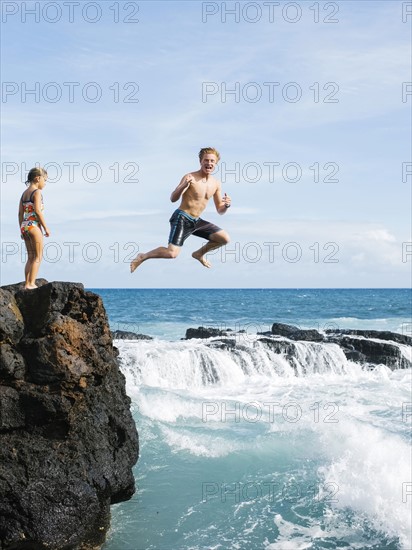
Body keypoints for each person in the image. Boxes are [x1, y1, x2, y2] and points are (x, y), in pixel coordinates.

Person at [130, 147, 231, 272]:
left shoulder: (216, 183)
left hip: (197, 221)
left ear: (216, 164)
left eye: (212, 161)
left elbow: (220, 210)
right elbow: (173, 198)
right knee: (171, 254)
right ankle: (143, 256)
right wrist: (183, 186)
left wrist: (226, 206)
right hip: (182, 217)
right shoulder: (190, 177)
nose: (209, 163)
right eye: (206, 160)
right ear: (200, 161)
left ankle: (198, 254)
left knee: (224, 238)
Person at [18, 167, 50, 289]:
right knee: (38, 256)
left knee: (30, 257)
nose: (45, 183)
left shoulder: (24, 194)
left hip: (25, 226)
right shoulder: (37, 192)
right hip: (34, 226)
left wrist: (21, 228)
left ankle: (26, 283)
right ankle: (31, 283)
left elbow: (20, 214)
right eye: (45, 180)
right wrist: (46, 228)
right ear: (38, 178)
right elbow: (37, 211)